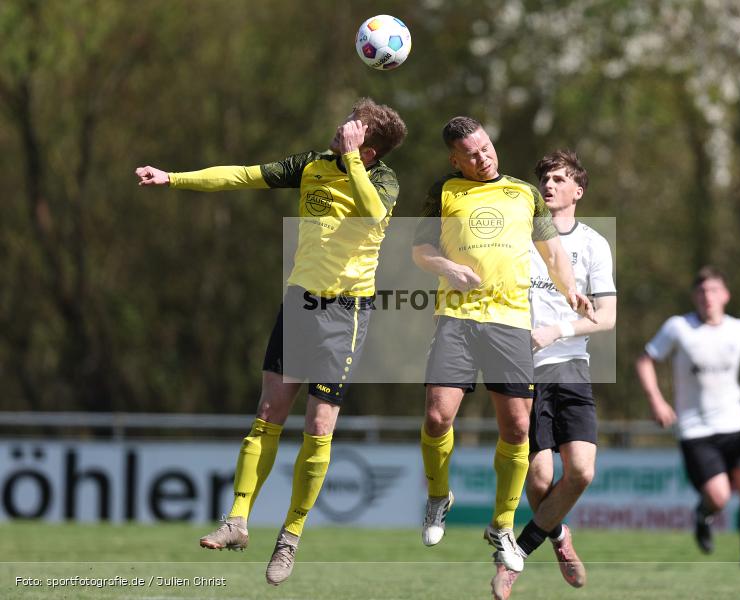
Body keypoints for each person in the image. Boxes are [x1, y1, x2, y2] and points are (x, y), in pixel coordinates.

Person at [134, 98, 407, 586]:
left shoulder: (383, 181)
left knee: (319, 426)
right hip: (301, 304)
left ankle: (291, 536)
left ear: (369, 149)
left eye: (354, 128)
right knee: (267, 413)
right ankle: (237, 521)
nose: (341, 128)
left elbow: (370, 215)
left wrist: (350, 163)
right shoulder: (311, 166)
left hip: (346, 314)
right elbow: (241, 175)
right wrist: (173, 177)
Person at [411, 117, 595, 576]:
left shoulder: (523, 193)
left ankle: (502, 526)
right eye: (472, 153)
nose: (484, 157)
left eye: (487, 147)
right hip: (456, 318)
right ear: (456, 159)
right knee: (437, 416)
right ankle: (437, 496)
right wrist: (448, 270)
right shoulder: (445, 191)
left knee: (516, 429)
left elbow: (553, 254)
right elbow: (419, 250)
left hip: (509, 324)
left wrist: (571, 289)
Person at [490, 150, 617, 600]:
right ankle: (558, 536)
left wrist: (556, 330)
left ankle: (518, 552)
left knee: (580, 472)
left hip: (568, 367)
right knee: (540, 481)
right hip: (518, 369)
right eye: (544, 177)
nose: (548, 183)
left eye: (559, 178)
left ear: (577, 191)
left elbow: (607, 318)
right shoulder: (518, 237)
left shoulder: (594, 244)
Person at [635, 266, 740, 567]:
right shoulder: (678, 327)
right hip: (696, 430)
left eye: (713, 291)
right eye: (701, 292)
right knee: (720, 497)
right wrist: (656, 401)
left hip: (736, 426)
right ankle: (704, 513)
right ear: (694, 297)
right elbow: (645, 361)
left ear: (725, 295)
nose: (707, 297)